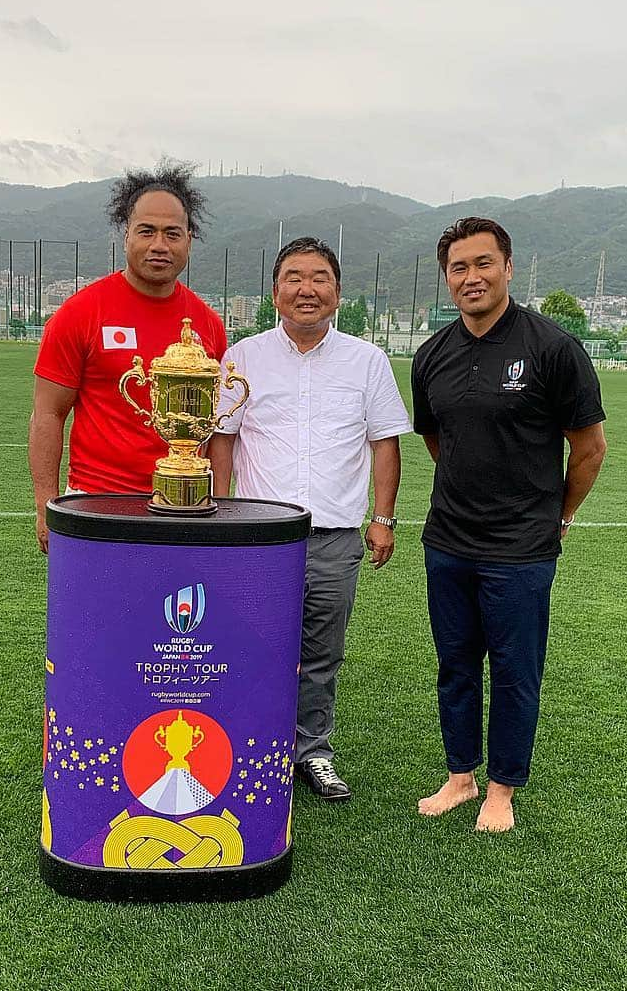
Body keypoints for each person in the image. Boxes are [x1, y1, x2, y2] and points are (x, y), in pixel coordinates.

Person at [411, 217, 607, 832]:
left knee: (516, 670)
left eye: (483, 264)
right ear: (447, 278)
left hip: (521, 547)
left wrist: (560, 514)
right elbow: (438, 441)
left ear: (508, 267)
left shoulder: (551, 347)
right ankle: (461, 777)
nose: (472, 278)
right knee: (456, 664)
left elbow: (591, 447)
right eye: (458, 268)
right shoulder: (432, 354)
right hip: (447, 541)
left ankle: (502, 788)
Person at [208, 237, 411, 801]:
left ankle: (311, 751)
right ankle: (248, 746)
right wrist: (223, 514)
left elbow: (384, 444)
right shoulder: (244, 358)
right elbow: (221, 441)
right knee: (251, 646)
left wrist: (384, 517)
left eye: (319, 277)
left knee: (321, 651)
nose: (307, 288)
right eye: (294, 277)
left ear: (338, 293)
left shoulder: (366, 361)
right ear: (275, 292)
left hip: (334, 536)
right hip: (259, 539)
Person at [28, 162, 227, 552]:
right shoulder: (81, 312)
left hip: (182, 509)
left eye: (172, 233)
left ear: (189, 239)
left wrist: (216, 503)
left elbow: (216, 429)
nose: (159, 245)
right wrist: (45, 505)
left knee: (176, 613)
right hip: (95, 504)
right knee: (98, 614)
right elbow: (48, 414)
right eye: (147, 231)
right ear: (126, 235)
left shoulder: (208, 325)